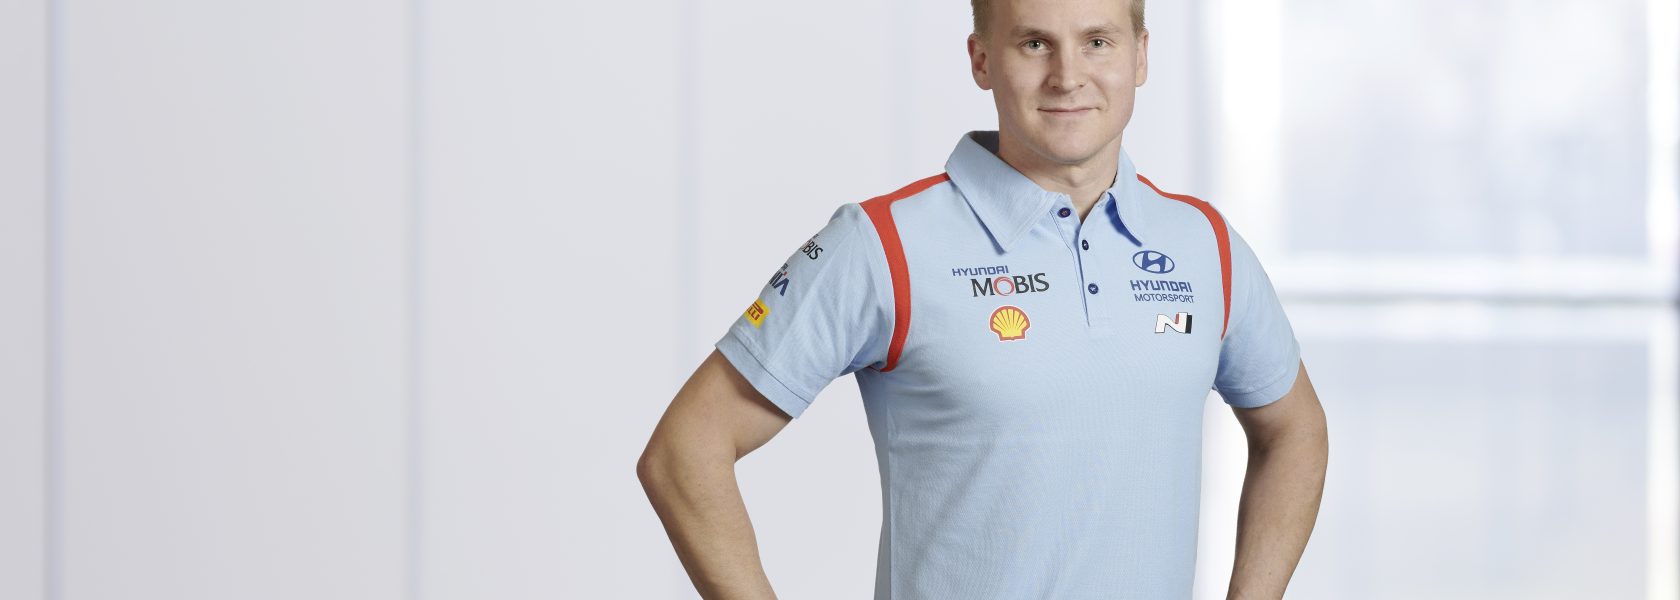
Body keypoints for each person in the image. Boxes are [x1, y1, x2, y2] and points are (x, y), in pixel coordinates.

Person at [637, 0, 1328, 597]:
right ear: (981, 60)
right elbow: (684, 452)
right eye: (1034, 43)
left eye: (1097, 41)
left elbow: (1295, 431)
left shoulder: (1205, 244)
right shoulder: (881, 243)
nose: (1068, 75)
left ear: (1140, 55)